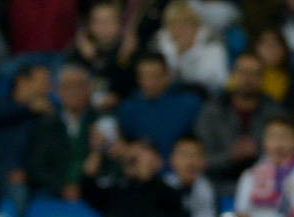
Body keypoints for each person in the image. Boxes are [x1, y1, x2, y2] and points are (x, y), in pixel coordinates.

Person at [194, 51, 284, 194]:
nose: (248, 79)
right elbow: (201, 158)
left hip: (266, 186)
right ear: (233, 74)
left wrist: (258, 153)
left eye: (254, 73)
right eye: (243, 72)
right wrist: (230, 156)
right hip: (218, 185)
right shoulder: (213, 110)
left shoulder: (275, 112)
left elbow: (285, 154)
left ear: (262, 78)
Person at [26, 63, 98, 201]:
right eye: (67, 87)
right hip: (53, 191)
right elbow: (37, 167)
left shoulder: (101, 121)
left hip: (95, 193)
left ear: (89, 90)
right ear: (58, 92)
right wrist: (62, 187)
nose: (74, 92)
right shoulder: (45, 125)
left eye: (79, 86)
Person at [115, 51, 202, 158]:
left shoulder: (189, 105)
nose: (149, 82)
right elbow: (124, 145)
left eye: (154, 76)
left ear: (167, 76)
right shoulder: (127, 109)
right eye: (144, 76)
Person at [153, 0, 228, 96]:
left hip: (204, 98)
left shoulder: (213, 46)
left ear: (196, 24)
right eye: (174, 24)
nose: (180, 29)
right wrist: (177, 55)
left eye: (185, 23)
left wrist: (189, 54)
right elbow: (158, 79)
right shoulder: (161, 44)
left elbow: (218, 81)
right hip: (167, 97)